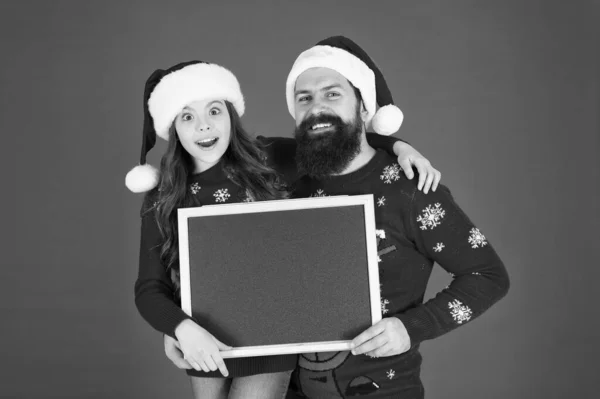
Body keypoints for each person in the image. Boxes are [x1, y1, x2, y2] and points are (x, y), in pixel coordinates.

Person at [126, 60, 442, 399]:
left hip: (272, 340)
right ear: (173, 128)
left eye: (214, 111)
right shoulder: (163, 196)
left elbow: (342, 141)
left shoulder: (269, 158)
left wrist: (397, 146)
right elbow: (148, 287)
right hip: (203, 344)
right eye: (187, 117)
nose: (203, 126)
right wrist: (179, 327)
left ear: (231, 115)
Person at [282, 36, 510, 398]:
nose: (316, 107)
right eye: (304, 97)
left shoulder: (411, 189)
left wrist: (412, 327)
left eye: (332, 94)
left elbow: (488, 276)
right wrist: (178, 324)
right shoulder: (281, 180)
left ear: (363, 106)